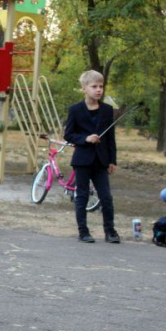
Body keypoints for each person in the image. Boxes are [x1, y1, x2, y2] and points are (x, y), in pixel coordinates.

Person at [64, 70, 119, 244]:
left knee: (106, 197)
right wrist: (85, 139)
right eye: (94, 86)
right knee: (82, 196)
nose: (98, 90)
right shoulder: (75, 110)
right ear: (84, 88)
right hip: (82, 159)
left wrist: (112, 160)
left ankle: (110, 231)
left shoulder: (107, 110)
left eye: (101, 86)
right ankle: (83, 231)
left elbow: (110, 137)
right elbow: (69, 135)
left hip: (101, 160)